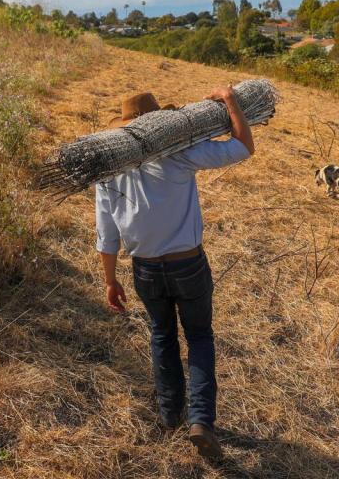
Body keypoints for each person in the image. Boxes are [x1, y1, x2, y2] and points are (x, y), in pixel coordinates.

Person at [95, 84, 255, 461]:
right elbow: (244, 146)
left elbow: (107, 235)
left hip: (145, 270)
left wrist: (109, 280)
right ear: (159, 123)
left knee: (161, 335)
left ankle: (171, 416)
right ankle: (200, 421)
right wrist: (230, 102)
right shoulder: (178, 151)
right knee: (199, 337)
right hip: (188, 263)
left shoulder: (108, 169)